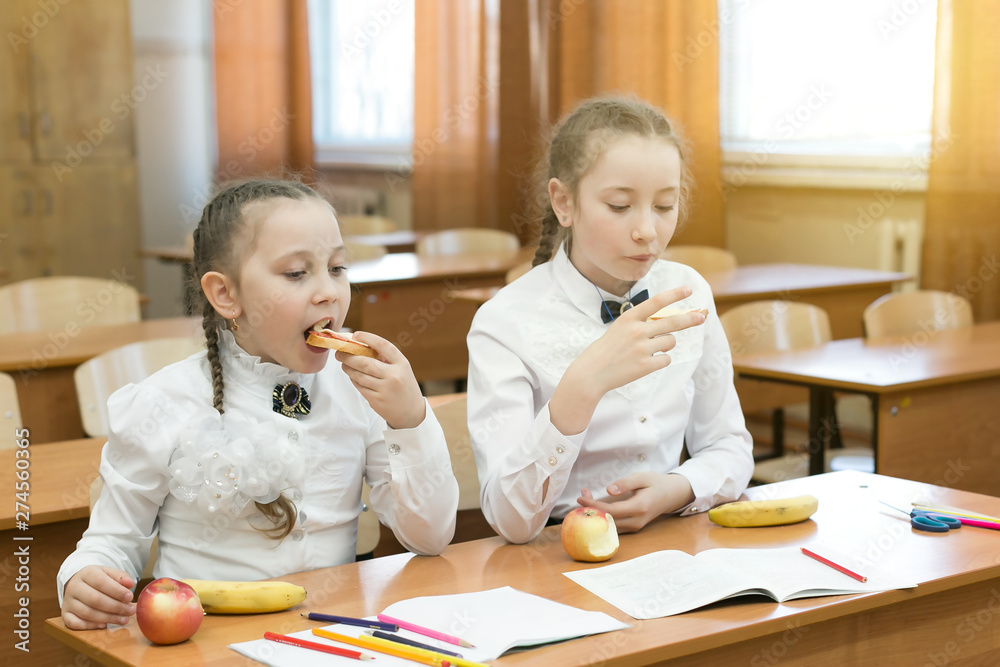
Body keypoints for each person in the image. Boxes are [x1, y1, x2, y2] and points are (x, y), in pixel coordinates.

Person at [59, 179, 459, 629]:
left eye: (338, 268)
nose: (329, 291)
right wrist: (83, 577)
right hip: (205, 643)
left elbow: (430, 536)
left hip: (336, 632)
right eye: (296, 273)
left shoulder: (358, 390)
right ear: (226, 295)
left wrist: (411, 420)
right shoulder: (164, 401)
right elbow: (111, 540)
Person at [467, 97, 753, 544]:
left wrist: (678, 488)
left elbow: (730, 446)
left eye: (664, 206)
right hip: (555, 550)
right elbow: (510, 519)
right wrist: (582, 386)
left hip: (671, 536)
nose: (647, 231)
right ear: (564, 202)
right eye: (620, 206)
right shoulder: (504, 322)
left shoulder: (688, 291)